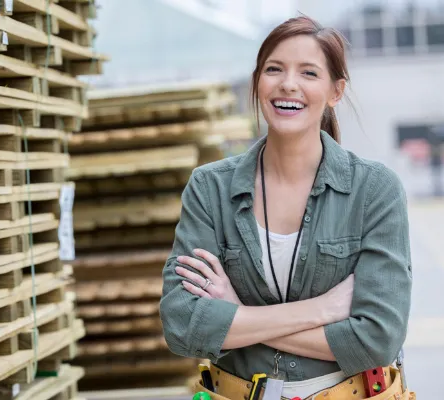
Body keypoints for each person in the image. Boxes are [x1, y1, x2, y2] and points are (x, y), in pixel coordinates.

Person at [159, 16, 414, 400]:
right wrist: (323, 309)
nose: (288, 84)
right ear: (258, 81)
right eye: (274, 69)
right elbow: (182, 325)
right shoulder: (209, 188)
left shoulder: (374, 190)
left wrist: (236, 314)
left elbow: (376, 337)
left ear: (336, 90)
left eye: (309, 73)